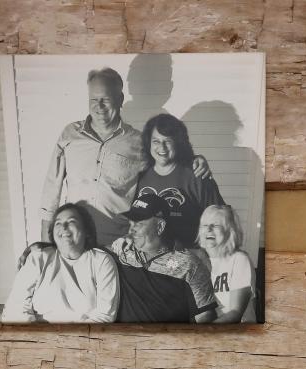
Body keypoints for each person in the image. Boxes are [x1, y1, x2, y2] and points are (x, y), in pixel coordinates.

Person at [40, 68, 212, 248]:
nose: (99, 106)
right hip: (76, 243)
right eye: (93, 100)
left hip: (119, 245)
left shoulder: (138, 141)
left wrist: (194, 160)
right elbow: (51, 189)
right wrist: (46, 243)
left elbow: (167, 166)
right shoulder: (70, 134)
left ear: (120, 99)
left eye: (105, 99)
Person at [2, 203, 120, 324]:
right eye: (58, 223)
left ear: (86, 230)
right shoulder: (38, 258)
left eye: (71, 221)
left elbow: (105, 316)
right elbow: (16, 308)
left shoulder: (102, 262)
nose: (63, 227)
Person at [109, 193, 217, 323]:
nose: (131, 230)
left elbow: (205, 318)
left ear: (160, 226)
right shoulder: (123, 253)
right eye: (131, 224)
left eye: (139, 224)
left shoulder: (189, 265)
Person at [135, 113, 225, 248]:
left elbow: (221, 219)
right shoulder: (141, 178)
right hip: (149, 258)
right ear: (149, 143)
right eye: (156, 141)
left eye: (168, 141)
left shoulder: (197, 175)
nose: (162, 147)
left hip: (189, 258)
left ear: (178, 142)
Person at [197, 205, 256, 323]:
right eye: (205, 225)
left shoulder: (239, 260)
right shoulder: (197, 260)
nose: (208, 229)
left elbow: (235, 313)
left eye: (216, 225)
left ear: (230, 231)